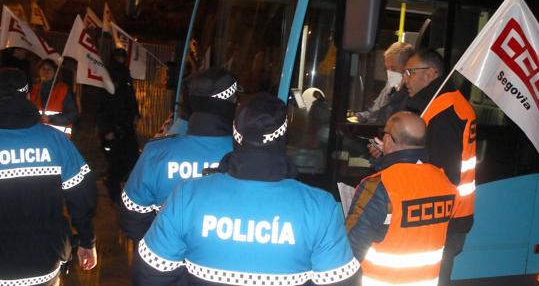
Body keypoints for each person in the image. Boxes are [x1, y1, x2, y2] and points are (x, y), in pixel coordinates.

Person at [133, 92, 360, 286]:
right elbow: (341, 281)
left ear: (235, 132)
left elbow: (150, 274)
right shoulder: (320, 207)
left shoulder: (186, 196)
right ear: (283, 136)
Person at [368, 48, 477, 286]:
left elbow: (436, 171)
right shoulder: (444, 103)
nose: (404, 78)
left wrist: (393, 157)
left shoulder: (444, 111)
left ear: (431, 73)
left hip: (444, 216)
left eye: (410, 72)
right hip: (448, 212)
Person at [0, 68, 97, 285]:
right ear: (27, 96)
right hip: (44, 259)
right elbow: (81, 197)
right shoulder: (55, 140)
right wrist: (86, 240)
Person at [121, 68, 238, 241]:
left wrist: (161, 250)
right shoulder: (245, 156)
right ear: (231, 104)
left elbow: (133, 216)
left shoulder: (157, 153)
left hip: (165, 259)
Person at [347, 111, 458, 286]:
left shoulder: (379, 185)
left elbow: (350, 248)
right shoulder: (444, 182)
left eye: (384, 134)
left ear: (389, 141)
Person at [96, 47, 140, 203]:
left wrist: (136, 114)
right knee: (115, 162)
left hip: (126, 126)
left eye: (123, 57)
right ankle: (114, 192)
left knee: (132, 158)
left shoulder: (126, 74)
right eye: (118, 57)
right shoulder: (107, 75)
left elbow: (131, 98)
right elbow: (101, 105)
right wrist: (106, 129)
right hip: (113, 127)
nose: (120, 59)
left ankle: (115, 184)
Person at [352, 42, 414, 124]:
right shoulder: (389, 85)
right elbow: (374, 112)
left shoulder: (410, 94)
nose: (389, 73)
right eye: (387, 68)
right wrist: (358, 117)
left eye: (394, 69)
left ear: (407, 67)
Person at [29, 59, 79, 138]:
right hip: (36, 136)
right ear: (38, 71)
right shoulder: (31, 90)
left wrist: (51, 119)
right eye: (43, 69)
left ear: (55, 72)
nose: (46, 72)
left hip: (58, 137)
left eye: (49, 69)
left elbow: (72, 114)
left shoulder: (64, 90)